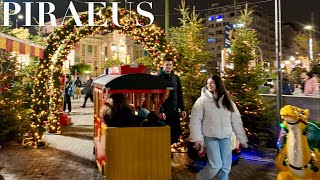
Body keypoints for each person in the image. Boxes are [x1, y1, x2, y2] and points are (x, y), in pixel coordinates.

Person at [190, 75, 248, 180]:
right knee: (216, 165)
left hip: (226, 137)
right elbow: (195, 120)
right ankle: (201, 178)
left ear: (218, 84)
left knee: (225, 166)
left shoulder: (227, 101)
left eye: (211, 83)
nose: (209, 85)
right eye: (207, 83)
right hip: (210, 136)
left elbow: (236, 120)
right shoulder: (202, 101)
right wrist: (197, 138)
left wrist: (242, 138)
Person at [158, 57, 186, 145]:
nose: (168, 67)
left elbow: (179, 94)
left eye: (170, 65)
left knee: (174, 134)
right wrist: (161, 111)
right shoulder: (158, 78)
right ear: (163, 65)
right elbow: (157, 97)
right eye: (167, 65)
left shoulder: (176, 78)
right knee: (164, 134)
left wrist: (183, 109)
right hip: (164, 112)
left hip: (174, 111)